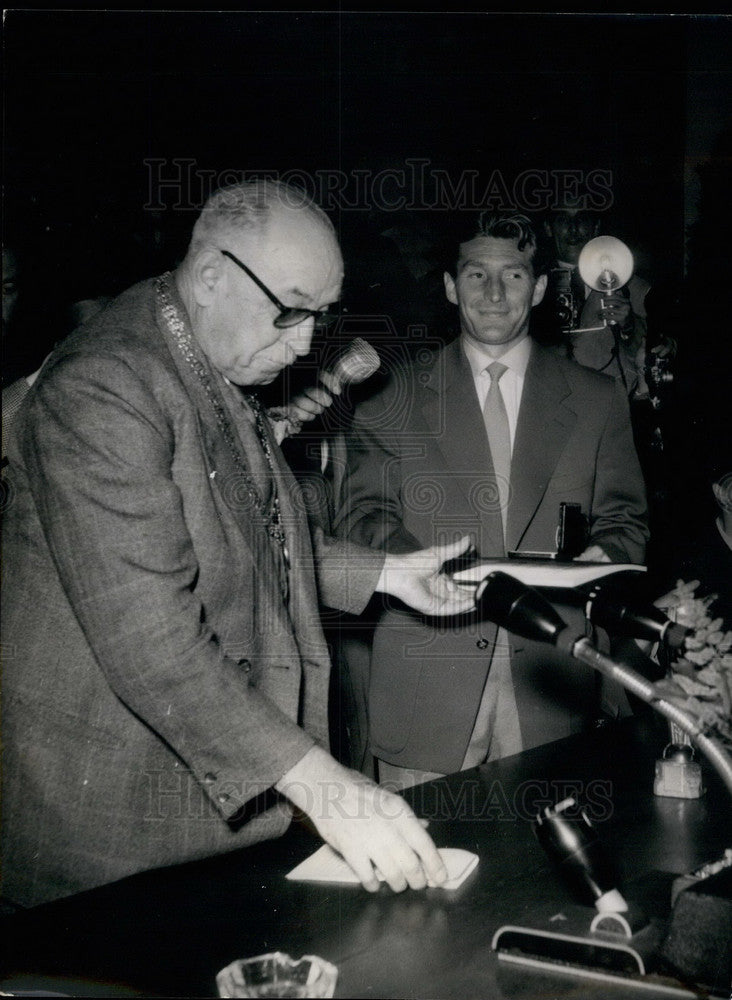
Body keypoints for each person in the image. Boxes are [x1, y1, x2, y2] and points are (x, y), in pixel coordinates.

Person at [1, 180, 477, 908]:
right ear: (213, 274)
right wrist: (325, 784)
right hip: (105, 839)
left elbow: (245, 530)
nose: (308, 341)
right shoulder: (104, 385)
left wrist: (383, 572)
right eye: (291, 310)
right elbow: (151, 637)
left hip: (198, 815)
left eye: (322, 314)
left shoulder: (208, 347)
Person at [333, 211, 649, 789]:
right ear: (451, 287)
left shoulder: (599, 399)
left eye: (514, 275)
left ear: (541, 286)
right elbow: (361, 515)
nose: (496, 294)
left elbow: (626, 518)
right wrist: (411, 565)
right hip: (427, 685)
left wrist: (605, 552)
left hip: (553, 684)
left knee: (541, 875)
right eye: (477, 275)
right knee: (422, 873)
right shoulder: (390, 396)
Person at [538, 204, 652, 398]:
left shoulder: (629, 284)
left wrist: (630, 326)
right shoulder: (533, 284)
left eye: (582, 219)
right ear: (549, 228)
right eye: (563, 220)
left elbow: (658, 346)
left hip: (612, 405)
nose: (573, 229)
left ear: (596, 227)